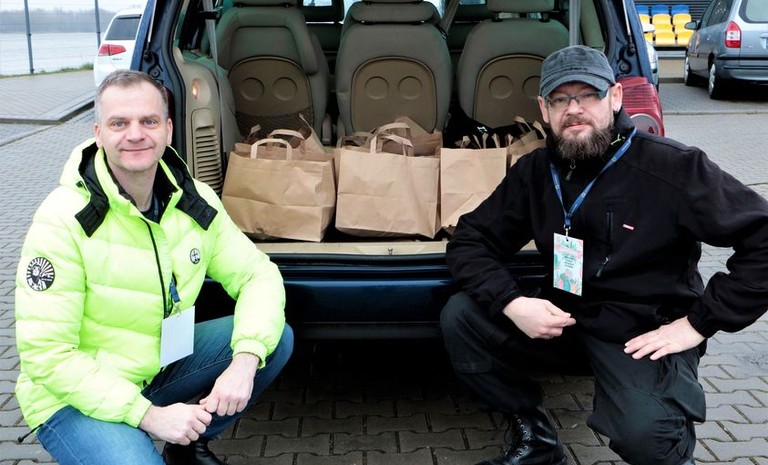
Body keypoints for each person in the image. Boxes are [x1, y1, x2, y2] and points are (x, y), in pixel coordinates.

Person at [440, 45, 768, 465]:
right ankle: (537, 439)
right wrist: (513, 303)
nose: (574, 109)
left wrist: (698, 324)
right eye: (560, 99)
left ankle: (667, 440)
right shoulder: (535, 171)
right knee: (462, 315)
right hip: (566, 320)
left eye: (588, 95)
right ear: (544, 109)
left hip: (642, 333)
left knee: (647, 438)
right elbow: (470, 240)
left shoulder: (673, 167)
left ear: (615, 97)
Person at [14, 69, 293, 465]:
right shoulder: (62, 220)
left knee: (270, 339)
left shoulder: (194, 200)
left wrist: (245, 361)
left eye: (148, 121)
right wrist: (149, 416)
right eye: (119, 123)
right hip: (70, 397)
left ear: (168, 130)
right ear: (98, 133)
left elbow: (257, 275)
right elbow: (46, 354)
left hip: (153, 365)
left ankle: (188, 444)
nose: (135, 134)